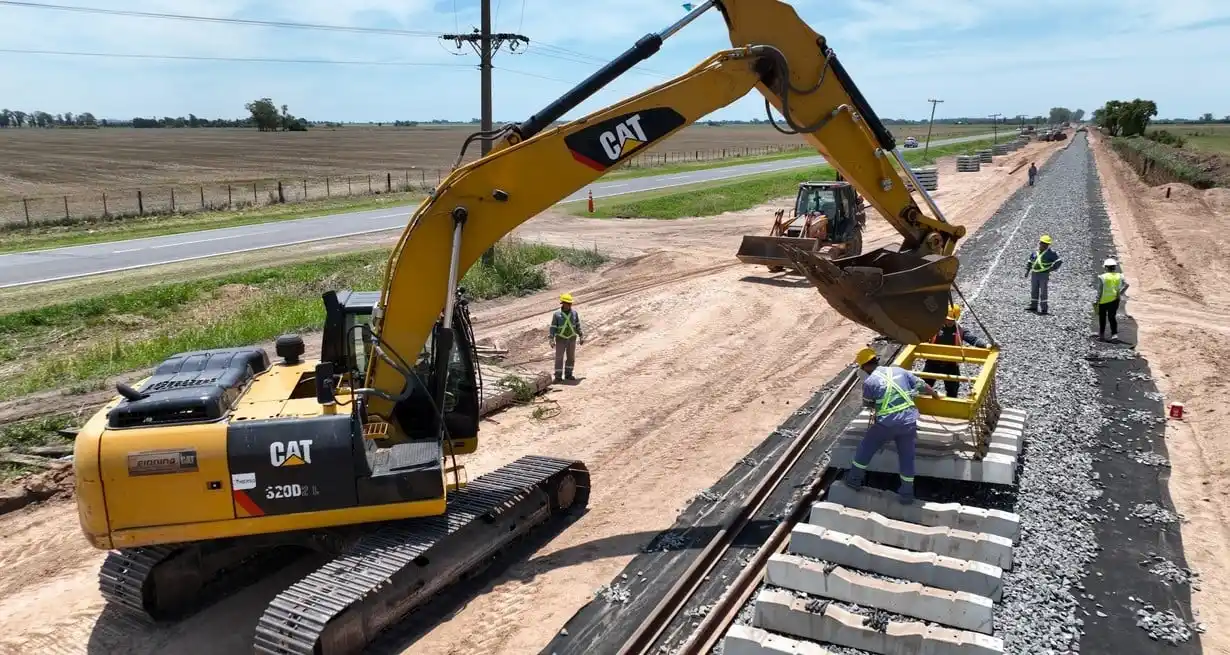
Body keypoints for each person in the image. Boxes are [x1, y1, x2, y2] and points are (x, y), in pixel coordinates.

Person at [844, 347, 942, 504]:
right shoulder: (899, 371)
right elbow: (921, 385)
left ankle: (854, 480)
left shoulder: (869, 382)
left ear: (865, 367)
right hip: (909, 422)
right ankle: (906, 494)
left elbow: (869, 404)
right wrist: (935, 394)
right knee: (907, 457)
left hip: (886, 425)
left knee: (866, 447)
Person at [923, 304, 991, 397]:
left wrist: (986, 345)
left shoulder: (960, 331)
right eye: (948, 319)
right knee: (924, 386)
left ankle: (950, 408)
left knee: (952, 390)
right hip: (932, 362)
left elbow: (973, 339)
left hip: (950, 365)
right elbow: (922, 337)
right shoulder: (935, 328)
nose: (949, 322)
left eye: (952, 320)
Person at [549, 293, 585, 382]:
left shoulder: (574, 313)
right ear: (563, 303)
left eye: (570, 303)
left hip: (572, 338)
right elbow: (553, 327)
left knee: (571, 357)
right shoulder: (557, 314)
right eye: (567, 303)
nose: (569, 305)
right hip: (561, 338)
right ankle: (558, 377)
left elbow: (577, 325)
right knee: (559, 358)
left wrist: (581, 336)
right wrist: (551, 339)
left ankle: (568, 374)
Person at [1093, 257, 1129, 342]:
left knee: (1102, 318)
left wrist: (1096, 301)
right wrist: (1119, 293)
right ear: (1114, 267)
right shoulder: (1120, 276)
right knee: (1112, 317)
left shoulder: (1102, 277)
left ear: (1106, 267)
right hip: (1114, 300)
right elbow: (1126, 285)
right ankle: (1114, 336)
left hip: (1103, 300)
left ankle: (1102, 336)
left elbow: (1100, 291)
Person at [1025, 234, 1062, 314]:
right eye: (1042, 243)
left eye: (1045, 244)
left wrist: (1051, 269)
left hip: (1044, 274)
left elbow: (1059, 262)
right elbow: (1030, 261)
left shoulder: (1051, 253)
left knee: (1043, 291)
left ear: (1048, 245)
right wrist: (1027, 271)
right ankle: (1033, 306)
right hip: (1034, 273)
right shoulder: (1035, 253)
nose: (1043, 245)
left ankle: (1044, 309)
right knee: (1034, 290)